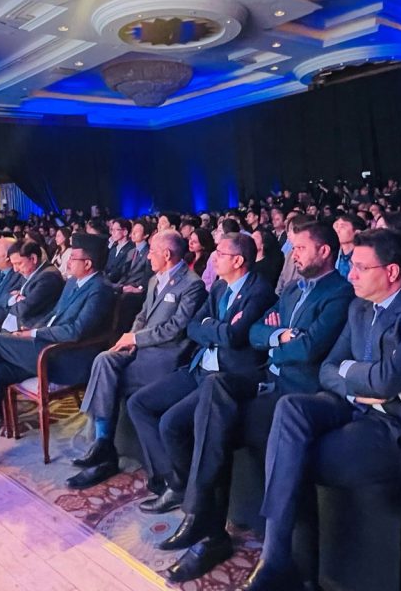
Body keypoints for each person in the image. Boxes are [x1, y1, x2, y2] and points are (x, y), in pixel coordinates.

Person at [242, 229, 401, 591]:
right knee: (290, 409)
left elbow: (386, 380)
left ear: (391, 271)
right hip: (356, 407)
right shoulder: (359, 306)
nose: (351, 276)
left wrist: (356, 375)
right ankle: (276, 557)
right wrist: (361, 386)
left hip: (400, 427)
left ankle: (297, 569)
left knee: (291, 459)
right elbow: (328, 370)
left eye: (362, 268)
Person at [158, 221, 353, 583]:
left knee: (216, 425)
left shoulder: (340, 293)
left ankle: (207, 526)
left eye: (301, 248)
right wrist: (280, 335)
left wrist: (275, 341)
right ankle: (203, 517)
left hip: (299, 390)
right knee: (215, 392)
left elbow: (310, 349)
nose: (294, 255)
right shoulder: (293, 289)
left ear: (324, 251)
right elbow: (255, 332)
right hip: (268, 378)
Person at [0, 233, 115, 483]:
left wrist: (33, 333)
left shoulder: (100, 289)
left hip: (68, 358)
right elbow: (54, 316)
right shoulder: (74, 282)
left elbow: (76, 331)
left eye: (73, 258)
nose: (68, 262)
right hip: (47, 347)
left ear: (88, 263)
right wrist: (31, 331)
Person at [125, 233, 277, 514]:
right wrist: (216, 327)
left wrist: (211, 326)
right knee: (139, 403)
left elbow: (234, 336)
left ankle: (179, 488)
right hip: (200, 366)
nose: (214, 258)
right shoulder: (219, 287)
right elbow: (193, 327)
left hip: (226, 377)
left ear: (238, 261)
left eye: (220, 253)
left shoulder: (259, 291)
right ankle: (175, 480)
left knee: (170, 423)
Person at [67, 230, 207, 489]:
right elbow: (142, 315)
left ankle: (104, 450)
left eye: (152, 252)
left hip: (166, 355)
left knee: (108, 381)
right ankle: (103, 444)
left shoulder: (192, 285)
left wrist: (136, 339)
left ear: (167, 254)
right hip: (142, 349)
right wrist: (130, 338)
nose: (148, 257)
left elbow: (175, 329)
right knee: (104, 360)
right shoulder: (154, 280)